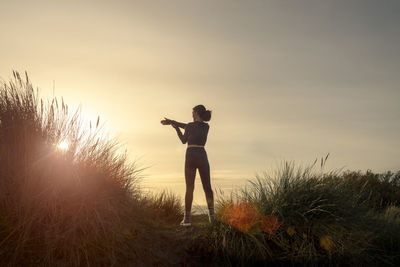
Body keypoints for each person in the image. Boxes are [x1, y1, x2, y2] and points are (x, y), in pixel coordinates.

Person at [161, 105, 214, 226]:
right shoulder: (206, 126)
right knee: (207, 187)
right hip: (202, 155)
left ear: (196, 113)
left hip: (190, 156)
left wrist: (174, 126)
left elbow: (183, 140)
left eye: (192, 112)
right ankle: (212, 218)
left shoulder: (190, 126)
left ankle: (187, 220)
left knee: (190, 187)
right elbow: (185, 125)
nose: (192, 114)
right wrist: (173, 123)